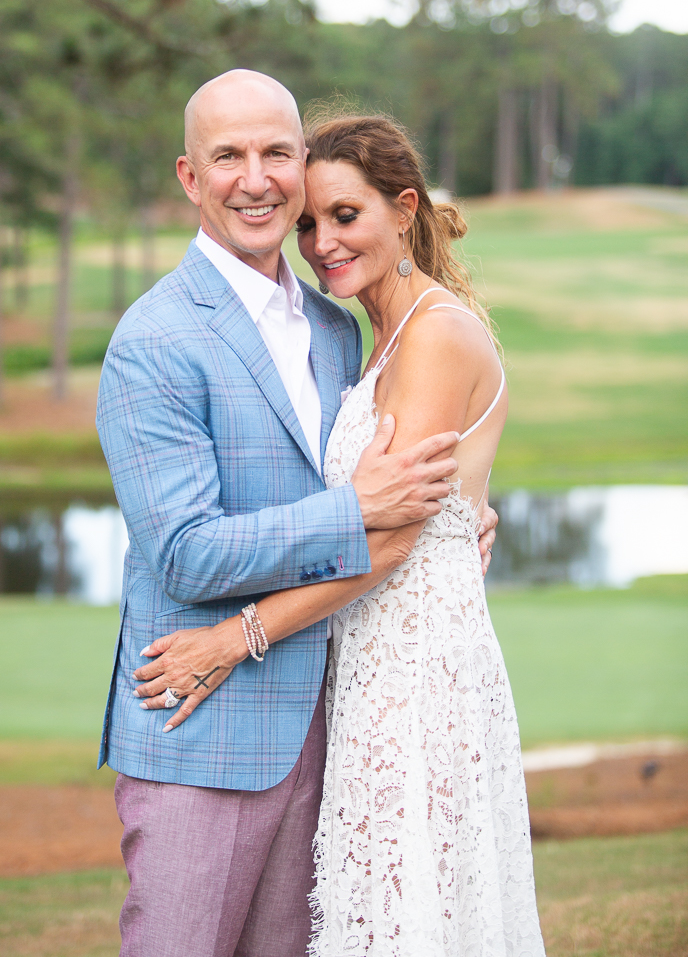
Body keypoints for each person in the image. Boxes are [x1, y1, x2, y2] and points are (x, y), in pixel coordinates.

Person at [96, 70, 497, 957]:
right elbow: (188, 556)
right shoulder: (153, 339)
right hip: (203, 728)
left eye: (276, 152)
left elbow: (401, 487)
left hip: (337, 728)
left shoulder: (331, 324)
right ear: (190, 178)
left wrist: (453, 515)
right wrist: (356, 512)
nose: (256, 178)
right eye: (227, 156)